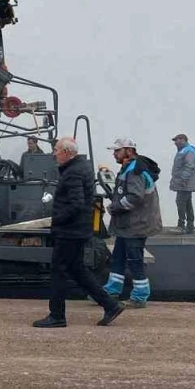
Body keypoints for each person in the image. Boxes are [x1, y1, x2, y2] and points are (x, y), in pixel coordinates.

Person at [32, 137, 124, 328]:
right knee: (77, 270)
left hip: (69, 232)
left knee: (58, 271)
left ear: (67, 152)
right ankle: (110, 305)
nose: (54, 153)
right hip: (78, 230)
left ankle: (57, 316)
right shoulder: (81, 168)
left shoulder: (72, 173)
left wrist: (57, 220)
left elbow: (76, 203)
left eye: (56, 150)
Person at [103, 137, 163, 307]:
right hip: (128, 225)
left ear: (129, 151)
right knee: (118, 257)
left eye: (117, 150)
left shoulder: (134, 171)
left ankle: (140, 296)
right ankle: (111, 290)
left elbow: (135, 197)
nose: (114, 154)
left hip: (136, 225)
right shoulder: (129, 168)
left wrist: (115, 207)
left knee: (134, 259)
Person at [169, 133, 195, 234]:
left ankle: (181, 226)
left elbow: (189, 165)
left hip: (185, 183)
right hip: (184, 182)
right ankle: (189, 226)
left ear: (183, 140)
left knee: (180, 202)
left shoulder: (189, 151)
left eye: (176, 140)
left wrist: (184, 179)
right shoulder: (184, 150)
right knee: (187, 203)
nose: (175, 143)